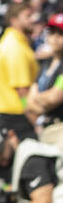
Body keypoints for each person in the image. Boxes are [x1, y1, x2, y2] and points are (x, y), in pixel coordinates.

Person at [0, 0, 39, 142]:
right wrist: (34, 120)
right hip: (18, 118)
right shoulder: (15, 47)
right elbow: (22, 90)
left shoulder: (12, 42)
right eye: (28, 16)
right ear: (14, 20)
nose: (33, 19)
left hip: (12, 116)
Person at [27, 13, 63, 149]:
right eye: (52, 32)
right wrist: (42, 101)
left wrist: (38, 99)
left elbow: (54, 99)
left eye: (60, 33)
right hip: (45, 129)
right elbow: (29, 103)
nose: (55, 38)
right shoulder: (45, 64)